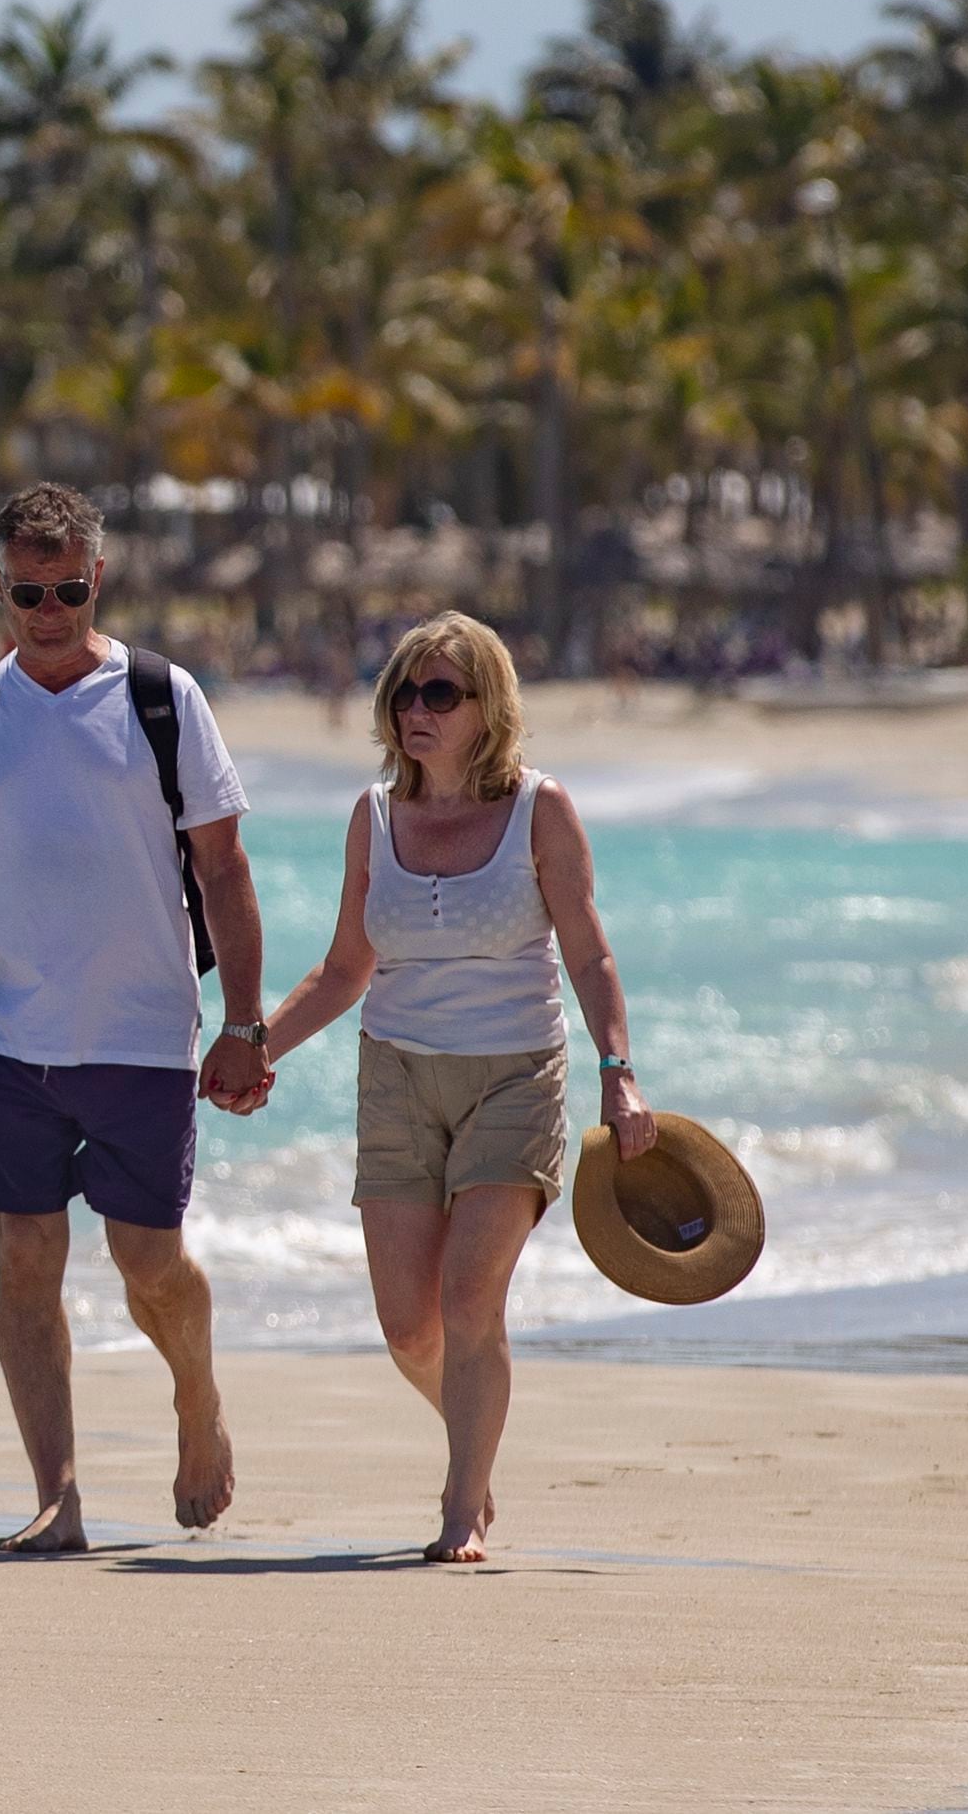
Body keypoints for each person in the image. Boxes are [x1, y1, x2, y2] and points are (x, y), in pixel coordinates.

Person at [0, 482, 268, 1551]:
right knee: (24, 1254)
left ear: (97, 579)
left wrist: (241, 1019)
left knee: (148, 1259)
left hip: (143, 1033)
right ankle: (57, 1497)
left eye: (67, 588)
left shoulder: (162, 698)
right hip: (3, 1037)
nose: (48, 609)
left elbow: (224, 869)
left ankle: (195, 1397)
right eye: (27, 591)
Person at [252, 610, 656, 1563]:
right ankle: (472, 1441)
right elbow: (343, 970)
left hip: (515, 1075)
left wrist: (617, 1070)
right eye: (402, 691)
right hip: (394, 1075)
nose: (414, 711)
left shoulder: (537, 810)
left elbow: (587, 952)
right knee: (407, 1327)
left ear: (489, 709)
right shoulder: (373, 816)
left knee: (470, 1300)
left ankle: (457, 1506)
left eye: (439, 692)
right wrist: (251, 1048)